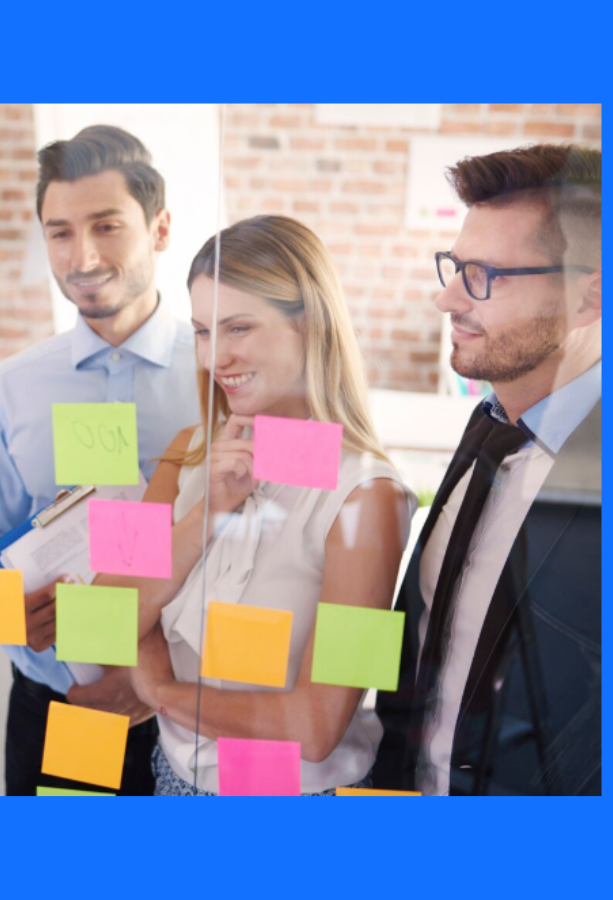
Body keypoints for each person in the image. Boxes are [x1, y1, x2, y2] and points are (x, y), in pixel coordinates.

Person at [96, 215, 415, 796]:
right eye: (202, 331)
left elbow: (315, 729)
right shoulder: (185, 452)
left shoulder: (370, 497)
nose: (214, 357)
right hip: (173, 779)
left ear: (310, 326)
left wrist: (161, 692)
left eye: (238, 327)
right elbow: (99, 621)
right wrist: (207, 517)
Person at [0, 125, 199, 796]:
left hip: (195, 713)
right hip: (62, 705)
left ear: (159, 229)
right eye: (60, 232)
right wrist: (8, 607)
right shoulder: (14, 385)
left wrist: (153, 680)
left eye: (107, 226)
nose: (82, 255)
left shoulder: (222, 376)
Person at [375, 144, 602, 796]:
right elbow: (422, 644)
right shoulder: (490, 423)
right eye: (455, 267)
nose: (446, 298)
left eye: (484, 275)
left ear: (589, 297)